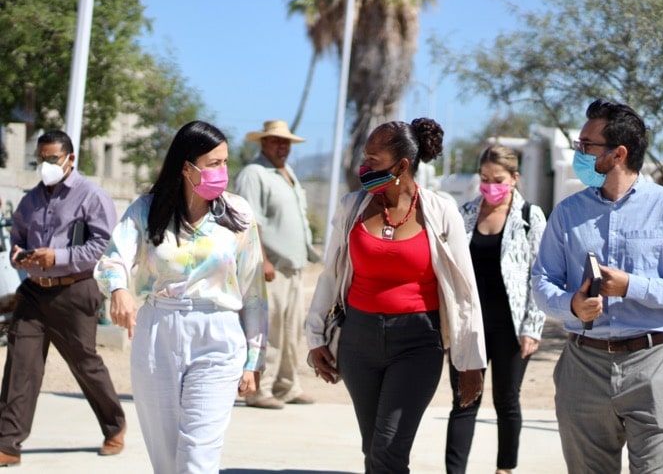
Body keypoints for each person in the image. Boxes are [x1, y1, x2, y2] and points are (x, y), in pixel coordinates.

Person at [531, 99, 663, 473]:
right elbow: (542, 280)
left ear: (618, 153)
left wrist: (631, 285)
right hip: (583, 366)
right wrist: (572, 305)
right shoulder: (567, 212)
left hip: (653, 365)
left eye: (586, 146)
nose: (579, 153)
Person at [307, 118, 487, 474]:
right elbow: (330, 273)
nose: (364, 167)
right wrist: (314, 337)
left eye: (373, 161)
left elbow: (465, 291)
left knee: (388, 451)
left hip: (418, 343)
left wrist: (470, 362)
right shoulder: (352, 206)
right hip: (358, 340)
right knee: (373, 448)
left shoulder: (439, 210)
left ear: (401, 166)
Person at [93, 121, 268, 473]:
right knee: (167, 458)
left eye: (225, 162)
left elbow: (254, 292)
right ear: (186, 167)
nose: (223, 171)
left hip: (218, 336)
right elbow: (114, 256)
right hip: (159, 332)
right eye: (213, 163)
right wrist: (119, 288)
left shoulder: (238, 215)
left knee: (196, 459)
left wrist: (254, 358)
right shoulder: (146, 209)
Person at [0, 130, 126, 467]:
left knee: (84, 363)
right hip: (33, 294)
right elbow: (18, 238)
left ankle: (115, 426)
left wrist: (58, 257)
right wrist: (19, 256)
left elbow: (103, 246)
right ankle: (8, 444)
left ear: (70, 158)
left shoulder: (92, 196)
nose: (46, 165)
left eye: (53, 158)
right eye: (41, 158)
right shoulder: (31, 199)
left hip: (74, 290)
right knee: (20, 365)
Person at [445, 144, 547, 474]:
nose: (490, 185)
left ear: (515, 178)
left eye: (498, 178)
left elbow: (541, 274)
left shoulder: (530, 217)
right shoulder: (464, 215)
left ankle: (505, 470)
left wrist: (533, 327)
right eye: (484, 178)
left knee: (507, 400)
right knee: (464, 400)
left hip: (511, 327)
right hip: (470, 326)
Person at [235, 119, 320, 409]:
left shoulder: (287, 173)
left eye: (286, 142)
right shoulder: (254, 174)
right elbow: (248, 222)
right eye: (276, 141)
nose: (282, 147)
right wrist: (263, 260)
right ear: (263, 143)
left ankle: (287, 385)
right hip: (270, 269)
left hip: (293, 268)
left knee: (291, 330)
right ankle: (261, 389)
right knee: (266, 330)